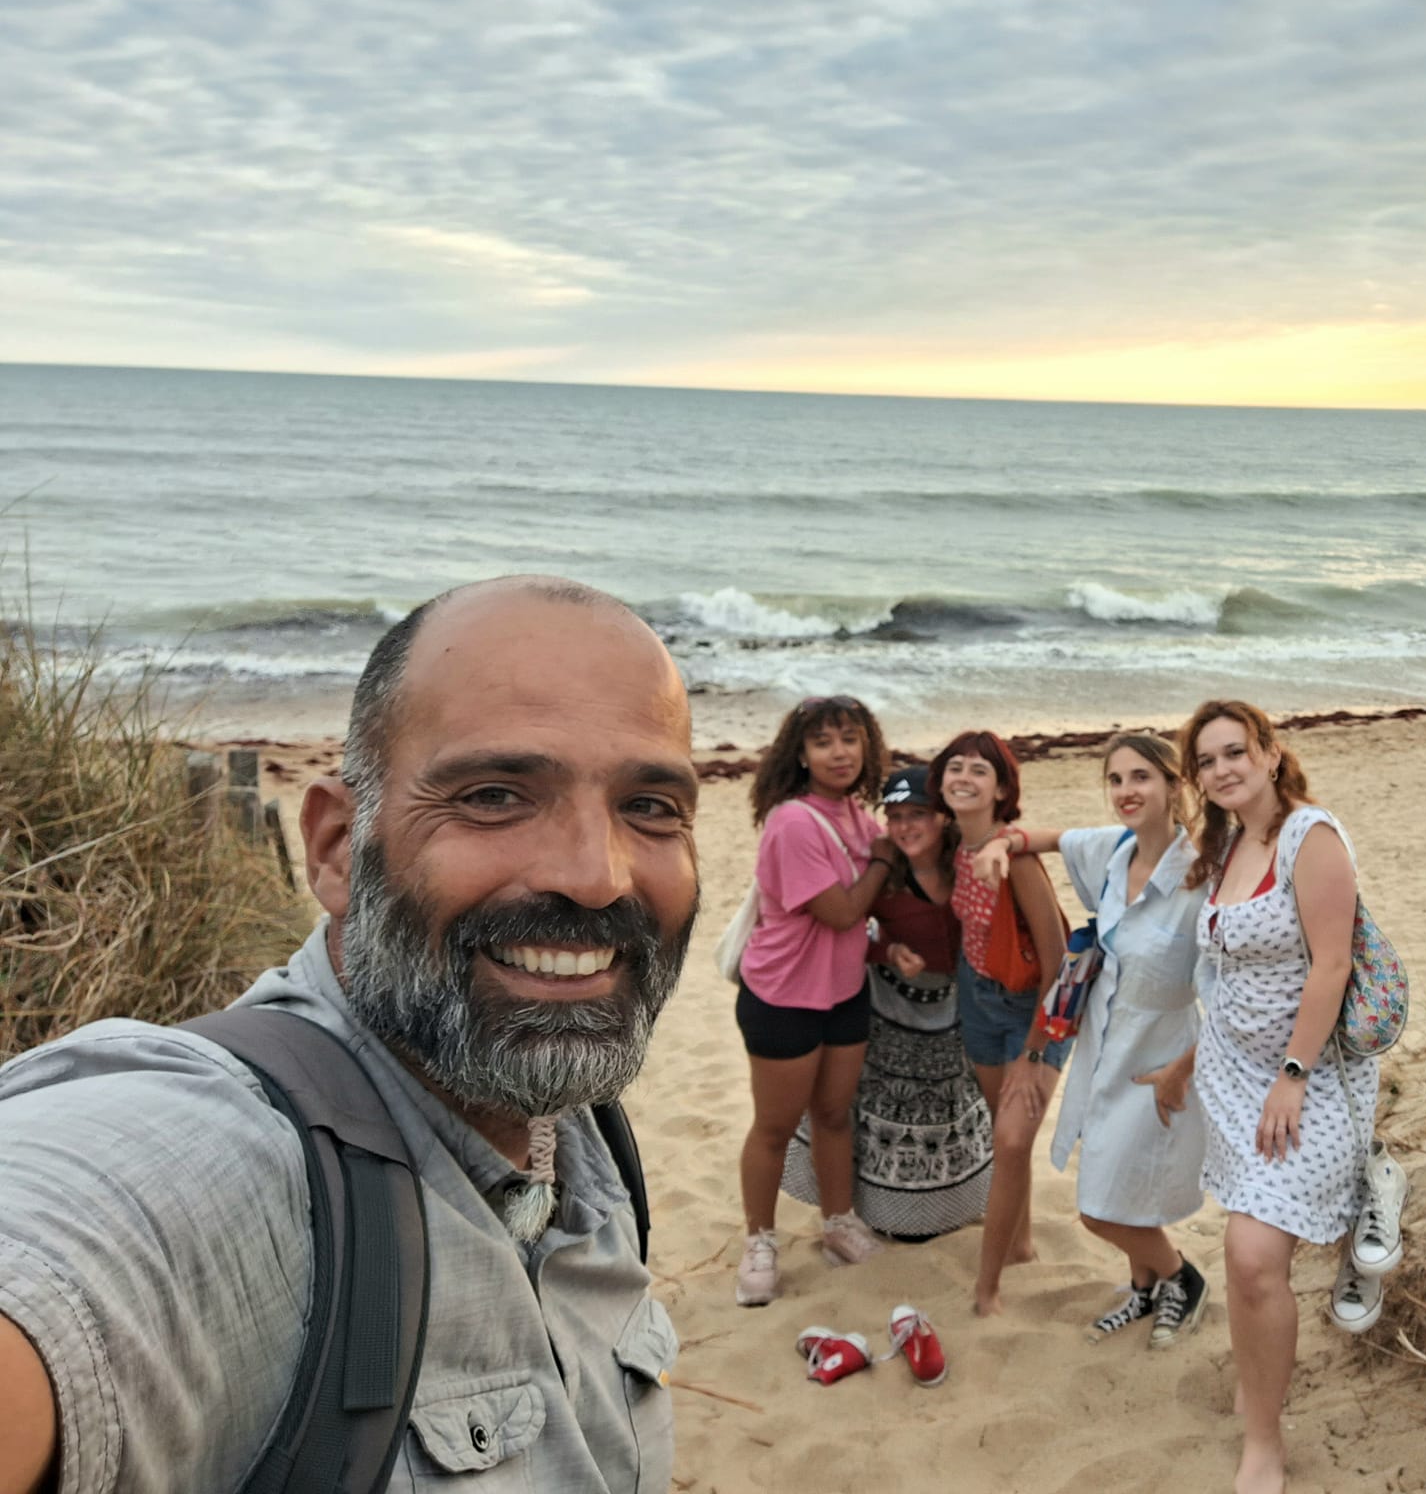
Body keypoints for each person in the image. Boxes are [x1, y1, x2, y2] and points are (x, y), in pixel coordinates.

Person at [0, 576, 698, 1494]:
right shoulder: (230, 1157)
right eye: (494, 795)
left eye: (649, 807)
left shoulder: (580, 1130)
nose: (598, 877)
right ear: (335, 848)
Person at [1181, 699, 1380, 1494]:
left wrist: (1293, 1077)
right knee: (1244, 1255)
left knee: (1255, 1256)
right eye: (1206, 760)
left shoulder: (1311, 835)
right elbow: (1223, 966)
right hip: (1231, 1075)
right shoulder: (1228, 840)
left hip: (1308, 1078)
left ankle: (1263, 1441)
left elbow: (1330, 966)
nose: (1223, 769)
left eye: (1236, 752)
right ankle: (1257, 1397)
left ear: (1270, 753)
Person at [972, 733, 1212, 1348]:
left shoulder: (1201, 876)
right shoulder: (1111, 850)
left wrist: (1185, 1068)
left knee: (1102, 1206)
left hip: (1162, 1055)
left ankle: (1182, 1278)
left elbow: (1226, 991)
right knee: (1124, 1178)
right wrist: (1001, 847)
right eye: (1115, 780)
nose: (1126, 792)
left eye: (1141, 778)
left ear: (1173, 785)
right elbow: (1038, 838)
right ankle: (1143, 1288)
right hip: (1104, 1043)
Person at [781, 764, 994, 1238]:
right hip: (889, 1007)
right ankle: (879, 1213)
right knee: (885, 1110)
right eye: (894, 815)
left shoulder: (968, 863)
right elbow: (841, 925)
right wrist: (887, 950)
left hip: (955, 1008)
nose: (904, 827)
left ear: (943, 816)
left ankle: (941, 1210)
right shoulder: (882, 870)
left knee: (947, 1107)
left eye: (917, 813)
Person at [732, 695, 897, 1305]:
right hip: (782, 996)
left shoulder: (859, 815)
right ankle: (759, 1242)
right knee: (774, 1128)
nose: (839, 752)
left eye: (850, 739)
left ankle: (837, 1224)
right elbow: (842, 911)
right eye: (824, 741)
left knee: (833, 1116)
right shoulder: (794, 822)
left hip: (844, 993)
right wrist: (883, 861)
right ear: (799, 754)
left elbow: (866, 925)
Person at [928, 728, 1069, 1316]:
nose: (964, 777)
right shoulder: (954, 849)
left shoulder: (1020, 861)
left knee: (1011, 1139)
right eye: (954, 766)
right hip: (977, 1000)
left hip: (1033, 1011)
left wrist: (1036, 1050)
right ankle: (1023, 1243)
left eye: (979, 770)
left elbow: (1059, 962)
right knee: (1004, 1136)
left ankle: (987, 1289)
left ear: (1002, 787)